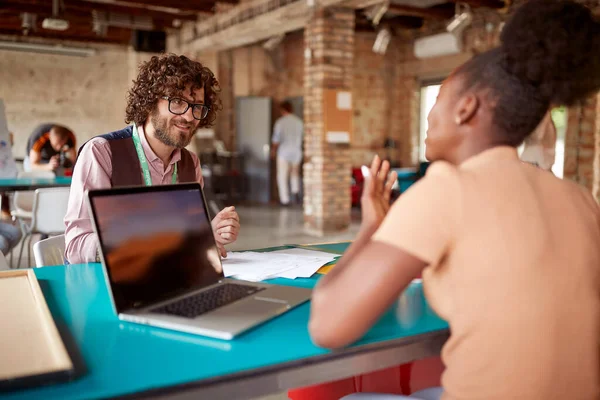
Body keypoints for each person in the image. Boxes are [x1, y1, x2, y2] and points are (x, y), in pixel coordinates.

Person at [309, 1, 600, 399]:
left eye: (439, 98)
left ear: (466, 109)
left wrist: (371, 229)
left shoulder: (447, 188)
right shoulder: (580, 199)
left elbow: (327, 324)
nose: (430, 115)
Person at [64, 54, 240, 264]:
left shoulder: (191, 163)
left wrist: (208, 235)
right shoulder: (101, 153)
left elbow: (183, 240)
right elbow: (76, 247)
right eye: (177, 102)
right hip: (109, 288)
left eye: (197, 106)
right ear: (150, 102)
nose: (189, 117)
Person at [271, 101, 303, 206]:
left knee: (282, 176)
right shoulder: (299, 122)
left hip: (284, 153)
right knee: (295, 174)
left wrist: (273, 151)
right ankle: (295, 191)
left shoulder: (280, 122)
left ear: (282, 110)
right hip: (296, 152)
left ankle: (285, 200)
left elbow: (276, 140)